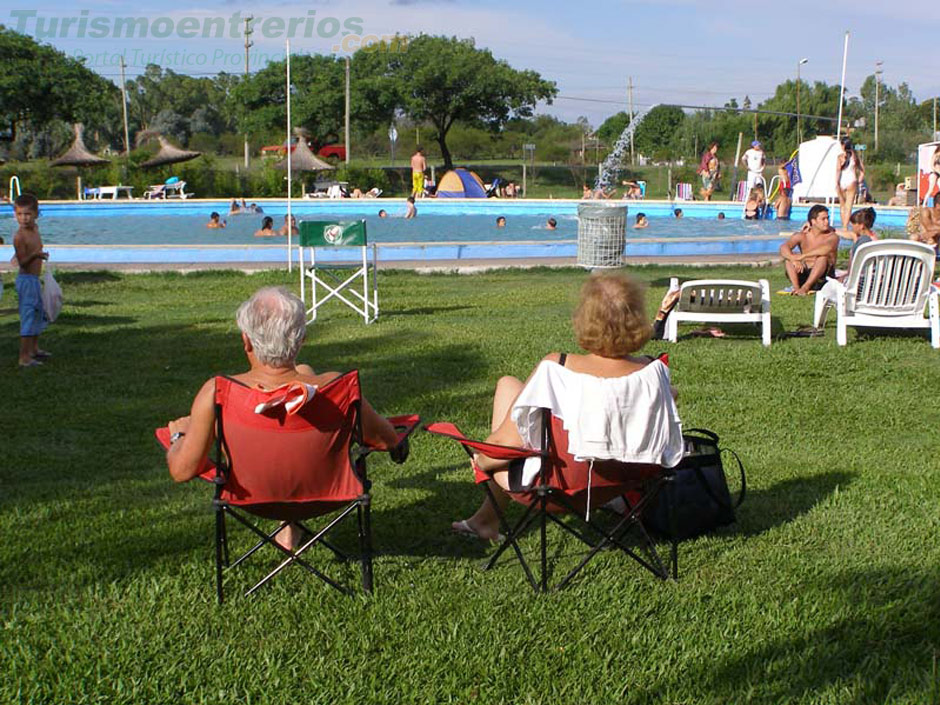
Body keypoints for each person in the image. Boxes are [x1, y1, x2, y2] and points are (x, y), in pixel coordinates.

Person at [165, 287, 405, 549]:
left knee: (303, 375)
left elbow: (182, 470)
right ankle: (290, 527)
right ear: (302, 339)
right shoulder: (337, 389)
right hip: (326, 496)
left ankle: (287, 526)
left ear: (246, 341)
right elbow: (386, 439)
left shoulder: (218, 392)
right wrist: (397, 445)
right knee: (305, 373)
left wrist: (179, 435)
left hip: (254, 500)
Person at [451, 272, 683, 542]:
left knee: (507, 391)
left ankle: (486, 520)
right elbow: (669, 404)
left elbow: (508, 446)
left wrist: (481, 461)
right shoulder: (652, 371)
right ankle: (484, 520)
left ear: (584, 319)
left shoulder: (557, 369)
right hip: (624, 480)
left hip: (554, 486)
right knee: (509, 385)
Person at [12, 194, 51, 368]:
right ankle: (24, 357)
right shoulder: (19, 237)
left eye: (27, 214)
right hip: (26, 280)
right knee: (28, 315)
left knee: (37, 313)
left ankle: (34, 349)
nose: (24, 218)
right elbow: (22, 262)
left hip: (34, 279)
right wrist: (36, 255)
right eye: (20, 214)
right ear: (15, 215)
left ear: (36, 214)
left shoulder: (34, 229)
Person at [778, 204, 840, 296]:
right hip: (804, 272)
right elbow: (784, 247)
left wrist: (803, 256)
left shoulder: (832, 237)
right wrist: (793, 259)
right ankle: (796, 288)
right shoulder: (802, 236)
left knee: (822, 258)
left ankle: (806, 287)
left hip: (822, 277)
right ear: (813, 221)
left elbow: (825, 249)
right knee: (789, 259)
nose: (827, 222)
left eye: (827, 218)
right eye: (823, 219)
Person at [835, 137, 864, 230]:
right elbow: (863, 170)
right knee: (849, 206)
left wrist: (837, 183)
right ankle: (845, 227)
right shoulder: (855, 156)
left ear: (843, 145)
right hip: (852, 180)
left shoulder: (840, 157)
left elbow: (838, 171)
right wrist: (859, 180)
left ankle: (843, 224)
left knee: (842, 205)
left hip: (842, 181)